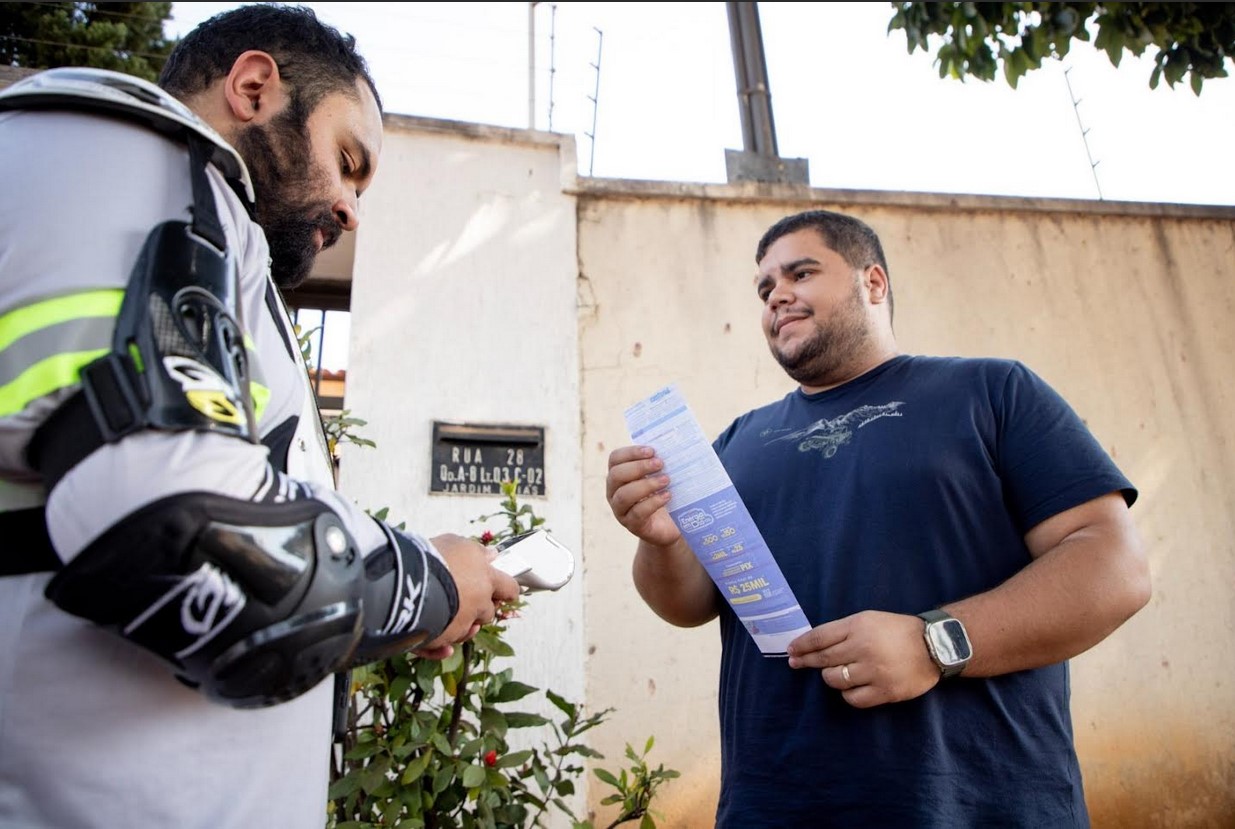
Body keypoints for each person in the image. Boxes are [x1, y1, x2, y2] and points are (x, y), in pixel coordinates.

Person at [0, 5, 519, 828]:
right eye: (347, 162)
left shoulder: (196, 218)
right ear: (252, 87)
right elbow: (184, 524)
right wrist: (430, 580)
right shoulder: (137, 160)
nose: (351, 209)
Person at [605, 208, 1151, 827]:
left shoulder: (993, 391)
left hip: (977, 806)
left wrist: (931, 644)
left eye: (800, 273)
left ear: (873, 282)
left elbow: (1115, 566)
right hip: (772, 806)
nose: (776, 295)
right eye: (764, 288)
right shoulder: (735, 443)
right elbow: (688, 603)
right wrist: (660, 540)